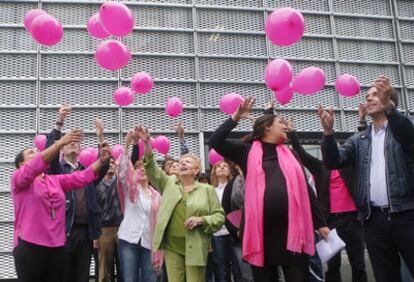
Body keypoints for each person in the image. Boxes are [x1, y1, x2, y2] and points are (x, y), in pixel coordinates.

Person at [210, 97, 329, 282]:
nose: (285, 126)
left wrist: (320, 223)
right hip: (261, 234)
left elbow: (305, 190)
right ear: (267, 128)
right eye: (280, 122)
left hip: (292, 231)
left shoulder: (292, 154)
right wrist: (236, 117)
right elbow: (216, 141)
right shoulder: (247, 151)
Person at [319, 76, 414, 282]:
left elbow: (409, 137)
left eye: (374, 95)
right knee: (385, 276)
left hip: (406, 214)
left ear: (389, 100)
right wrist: (328, 134)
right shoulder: (360, 138)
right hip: (374, 221)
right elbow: (333, 161)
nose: (369, 99)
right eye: (367, 96)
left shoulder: (404, 127)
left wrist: (390, 109)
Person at [12, 130, 111, 282]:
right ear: (21, 164)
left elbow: (81, 177)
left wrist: (101, 161)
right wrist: (60, 143)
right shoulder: (19, 179)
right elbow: (36, 165)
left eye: (37, 151)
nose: (37, 153)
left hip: (57, 246)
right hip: (29, 245)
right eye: (32, 152)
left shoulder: (54, 180)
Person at [134, 125, 225, 282]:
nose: (182, 164)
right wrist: (147, 142)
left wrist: (202, 220)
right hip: (172, 246)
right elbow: (152, 169)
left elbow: (219, 216)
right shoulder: (169, 183)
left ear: (196, 170)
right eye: (181, 161)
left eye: (187, 162)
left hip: (196, 246)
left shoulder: (207, 189)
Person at [287, 119, 367, 282]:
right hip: (331, 221)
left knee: (358, 262)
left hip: (353, 219)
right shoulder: (320, 167)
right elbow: (300, 154)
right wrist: (291, 133)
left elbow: (363, 147)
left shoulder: (349, 165)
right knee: (333, 263)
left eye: (333, 147)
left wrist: (362, 122)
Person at [45, 106, 109, 282]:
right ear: (62, 150)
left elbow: (103, 164)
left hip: (85, 232)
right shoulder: (57, 170)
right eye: (69, 142)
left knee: (82, 276)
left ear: (81, 150)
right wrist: (59, 123)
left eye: (76, 142)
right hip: (63, 231)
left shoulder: (87, 172)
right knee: (64, 275)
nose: (73, 143)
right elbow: (48, 152)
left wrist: (100, 136)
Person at [117, 130, 163, 282]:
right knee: (130, 279)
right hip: (128, 239)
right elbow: (123, 173)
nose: (142, 170)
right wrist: (126, 145)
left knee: (150, 279)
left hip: (149, 241)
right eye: (138, 168)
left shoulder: (157, 196)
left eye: (145, 168)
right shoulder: (129, 189)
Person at [94, 119, 123, 282]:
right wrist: (100, 137)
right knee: (104, 271)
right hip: (103, 230)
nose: (111, 164)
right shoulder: (96, 182)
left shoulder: (120, 182)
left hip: (122, 227)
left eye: (113, 162)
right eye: (109, 162)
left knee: (124, 267)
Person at [210, 161, 240, 282]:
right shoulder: (211, 191)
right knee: (222, 269)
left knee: (239, 268)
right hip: (218, 234)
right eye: (218, 166)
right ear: (214, 172)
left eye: (225, 166)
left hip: (234, 232)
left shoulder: (235, 188)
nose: (222, 167)